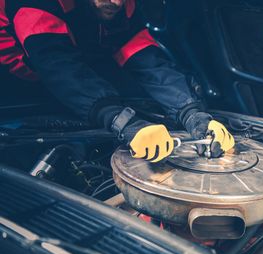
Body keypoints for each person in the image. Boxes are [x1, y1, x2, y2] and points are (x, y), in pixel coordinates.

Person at [0, 0, 234, 162]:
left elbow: (146, 59)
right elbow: (58, 66)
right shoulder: (35, 5)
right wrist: (123, 122)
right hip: (19, 88)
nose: (116, 2)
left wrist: (191, 112)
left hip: (77, 64)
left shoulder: (120, 7)